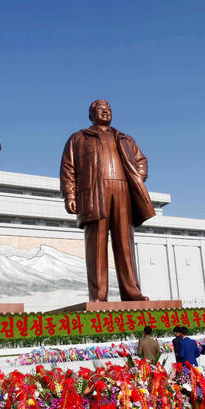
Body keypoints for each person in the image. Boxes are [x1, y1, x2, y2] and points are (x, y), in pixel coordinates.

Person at [59, 99, 154, 302]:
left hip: (122, 191)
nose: (105, 112)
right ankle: (99, 294)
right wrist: (70, 195)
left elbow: (141, 160)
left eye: (108, 109)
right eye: (100, 109)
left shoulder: (125, 139)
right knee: (96, 244)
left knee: (125, 243)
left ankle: (131, 291)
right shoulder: (78, 138)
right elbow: (68, 168)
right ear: (91, 115)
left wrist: (137, 179)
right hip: (94, 193)